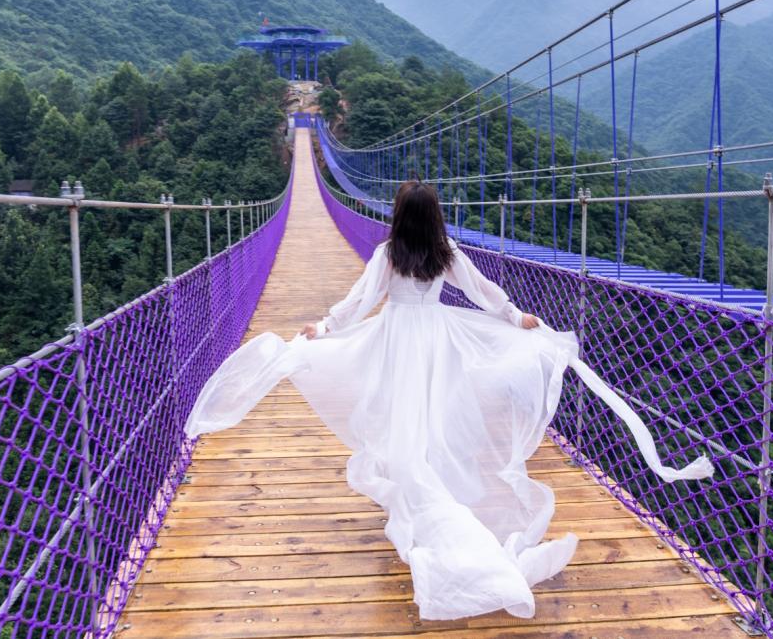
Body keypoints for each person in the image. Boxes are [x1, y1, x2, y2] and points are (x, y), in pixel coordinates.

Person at [185, 180, 714, 621]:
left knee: (400, 415)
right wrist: (515, 317)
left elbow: (361, 302)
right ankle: (431, 487)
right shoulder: (446, 252)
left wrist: (323, 326)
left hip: (395, 339)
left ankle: (423, 497)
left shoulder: (387, 253)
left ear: (398, 216)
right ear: (435, 218)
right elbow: (482, 290)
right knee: (433, 415)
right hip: (438, 340)